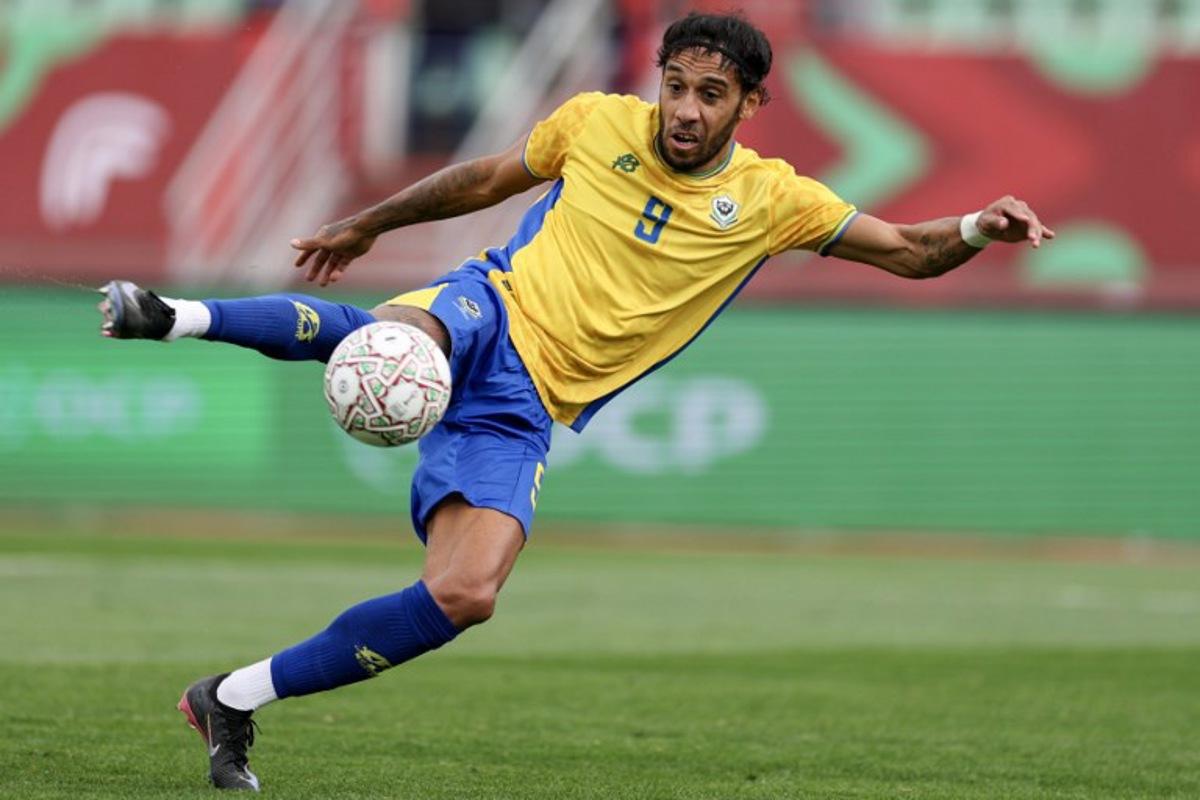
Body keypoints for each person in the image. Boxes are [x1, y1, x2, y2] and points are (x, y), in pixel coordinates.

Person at [98, 11, 1053, 792]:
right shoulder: (597, 122)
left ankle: (231, 699)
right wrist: (369, 222)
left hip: (528, 406)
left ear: (750, 104)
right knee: (399, 340)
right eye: (675, 85)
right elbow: (483, 178)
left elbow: (911, 252)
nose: (684, 109)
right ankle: (171, 315)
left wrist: (978, 224)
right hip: (490, 306)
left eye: (710, 94)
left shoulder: (772, 201)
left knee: (467, 595)